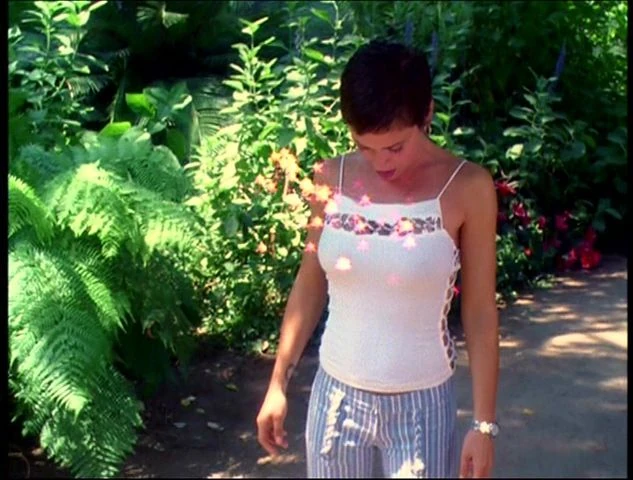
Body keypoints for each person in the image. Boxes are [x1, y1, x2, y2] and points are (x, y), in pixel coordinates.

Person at [256, 39, 499, 479]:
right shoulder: (330, 177)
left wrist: (483, 426)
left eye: (396, 147)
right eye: (365, 147)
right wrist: (277, 382)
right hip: (335, 400)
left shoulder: (468, 188)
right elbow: (310, 282)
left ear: (427, 113)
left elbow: (480, 311)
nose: (381, 162)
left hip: (422, 406)